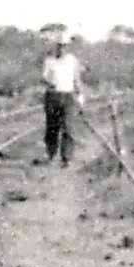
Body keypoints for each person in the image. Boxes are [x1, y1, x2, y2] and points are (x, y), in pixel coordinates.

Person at [39, 33, 84, 167]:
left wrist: (81, 96)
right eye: (59, 46)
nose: (61, 48)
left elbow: (77, 79)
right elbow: (43, 78)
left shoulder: (73, 60)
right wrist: (48, 81)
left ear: (67, 47)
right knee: (52, 127)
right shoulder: (49, 60)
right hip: (53, 95)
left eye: (64, 46)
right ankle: (50, 155)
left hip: (68, 95)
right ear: (56, 46)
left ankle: (67, 158)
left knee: (68, 128)